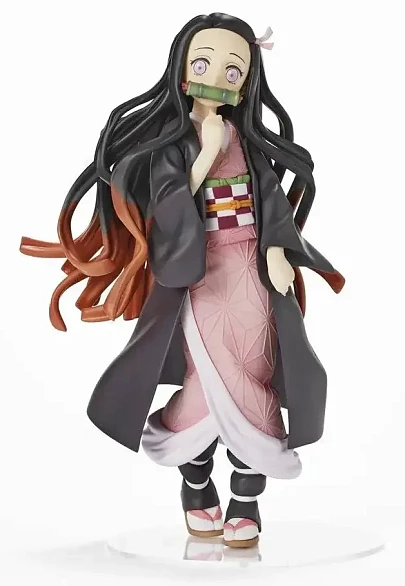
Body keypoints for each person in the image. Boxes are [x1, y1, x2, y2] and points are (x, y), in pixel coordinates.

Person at [20, 13, 345, 548]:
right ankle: (196, 484)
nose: (216, 76)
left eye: (232, 70)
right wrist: (205, 153)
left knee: (257, 365)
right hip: (200, 274)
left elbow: (269, 198)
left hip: (251, 270)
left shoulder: (247, 141)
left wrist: (278, 249)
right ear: (181, 68)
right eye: (203, 63)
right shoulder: (171, 144)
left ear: (246, 83)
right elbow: (167, 206)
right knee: (209, 377)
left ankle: (245, 500)